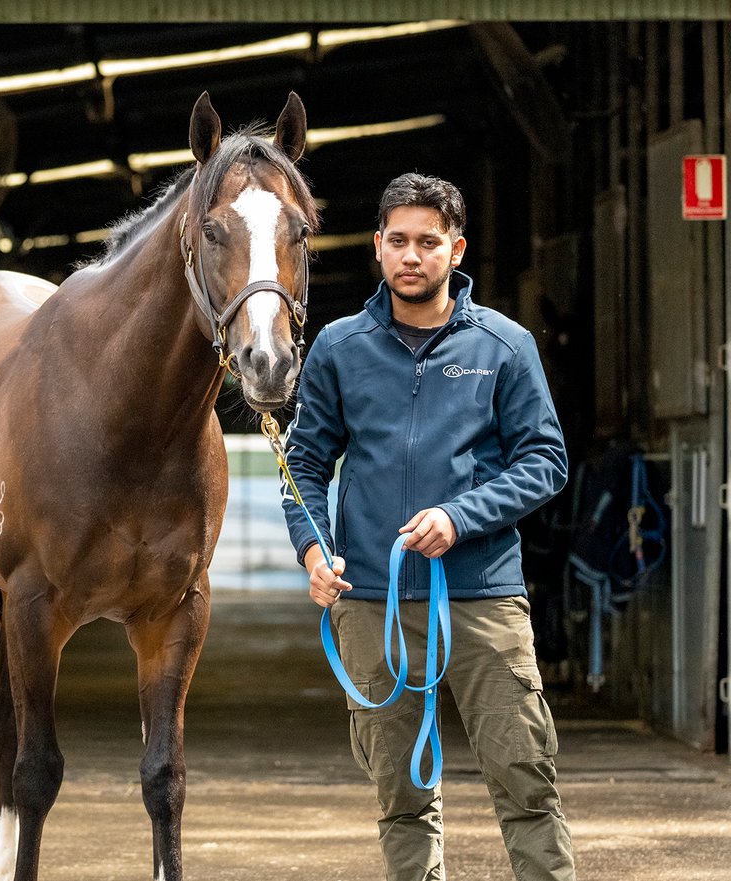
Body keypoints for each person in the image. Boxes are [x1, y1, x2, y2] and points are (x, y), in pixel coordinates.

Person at [281, 173, 576, 881]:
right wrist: (314, 549)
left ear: (456, 248)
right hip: (370, 602)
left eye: (429, 242)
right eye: (399, 240)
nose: (413, 255)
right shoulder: (338, 348)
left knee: (525, 779)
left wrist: (459, 514)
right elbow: (305, 464)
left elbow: (547, 459)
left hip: (482, 599)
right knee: (402, 795)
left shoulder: (504, 345)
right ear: (379, 246)